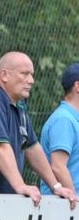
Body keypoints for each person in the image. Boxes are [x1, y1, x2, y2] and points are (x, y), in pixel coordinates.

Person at [0, 51, 76, 209]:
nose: (31, 80)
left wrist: (56, 187)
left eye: (32, 74)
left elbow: (32, 147)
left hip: (3, 200)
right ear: (4, 75)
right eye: (25, 74)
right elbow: (0, 146)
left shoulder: (18, 106)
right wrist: (20, 185)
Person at [40, 63, 79, 194]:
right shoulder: (64, 120)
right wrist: (76, 203)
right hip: (63, 209)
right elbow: (58, 167)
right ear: (77, 86)